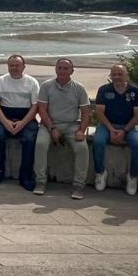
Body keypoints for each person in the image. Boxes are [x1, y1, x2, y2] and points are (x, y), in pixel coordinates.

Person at [34, 58, 91, 199]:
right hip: (49, 124)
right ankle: (40, 181)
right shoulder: (46, 86)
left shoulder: (79, 88)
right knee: (40, 144)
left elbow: (86, 112)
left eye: (65, 68)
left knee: (82, 148)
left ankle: (78, 185)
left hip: (72, 125)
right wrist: (52, 128)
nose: (62, 71)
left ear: (72, 71)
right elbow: (42, 110)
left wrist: (81, 131)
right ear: (55, 69)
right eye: (59, 68)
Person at [0, 55, 40, 190]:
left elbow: (35, 107)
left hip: (26, 116)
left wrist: (22, 123)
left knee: (29, 138)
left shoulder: (32, 82)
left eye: (17, 65)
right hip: (4, 114)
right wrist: (6, 122)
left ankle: (26, 176)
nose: (14, 68)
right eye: (12, 65)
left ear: (23, 66)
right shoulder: (0, 81)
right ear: (8, 66)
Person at [93, 64, 138, 195]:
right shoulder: (104, 90)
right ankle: (100, 173)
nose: (117, 77)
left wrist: (124, 131)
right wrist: (111, 129)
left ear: (127, 75)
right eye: (114, 74)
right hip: (107, 125)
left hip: (130, 126)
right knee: (98, 142)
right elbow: (99, 112)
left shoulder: (135, 91)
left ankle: (133, 176)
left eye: (120, 74)